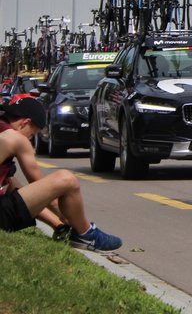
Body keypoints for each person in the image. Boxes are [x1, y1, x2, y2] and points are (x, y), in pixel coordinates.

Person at [0, 97, 122, 251]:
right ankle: (85, 233)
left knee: (12, 182)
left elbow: (28, 196)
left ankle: (64, 229)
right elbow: (45, 194)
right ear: (25, 123)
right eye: (32, 135)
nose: (30, 139)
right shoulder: (15, 138)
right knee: (66, 179)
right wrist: (69, 219)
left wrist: (59, 224)